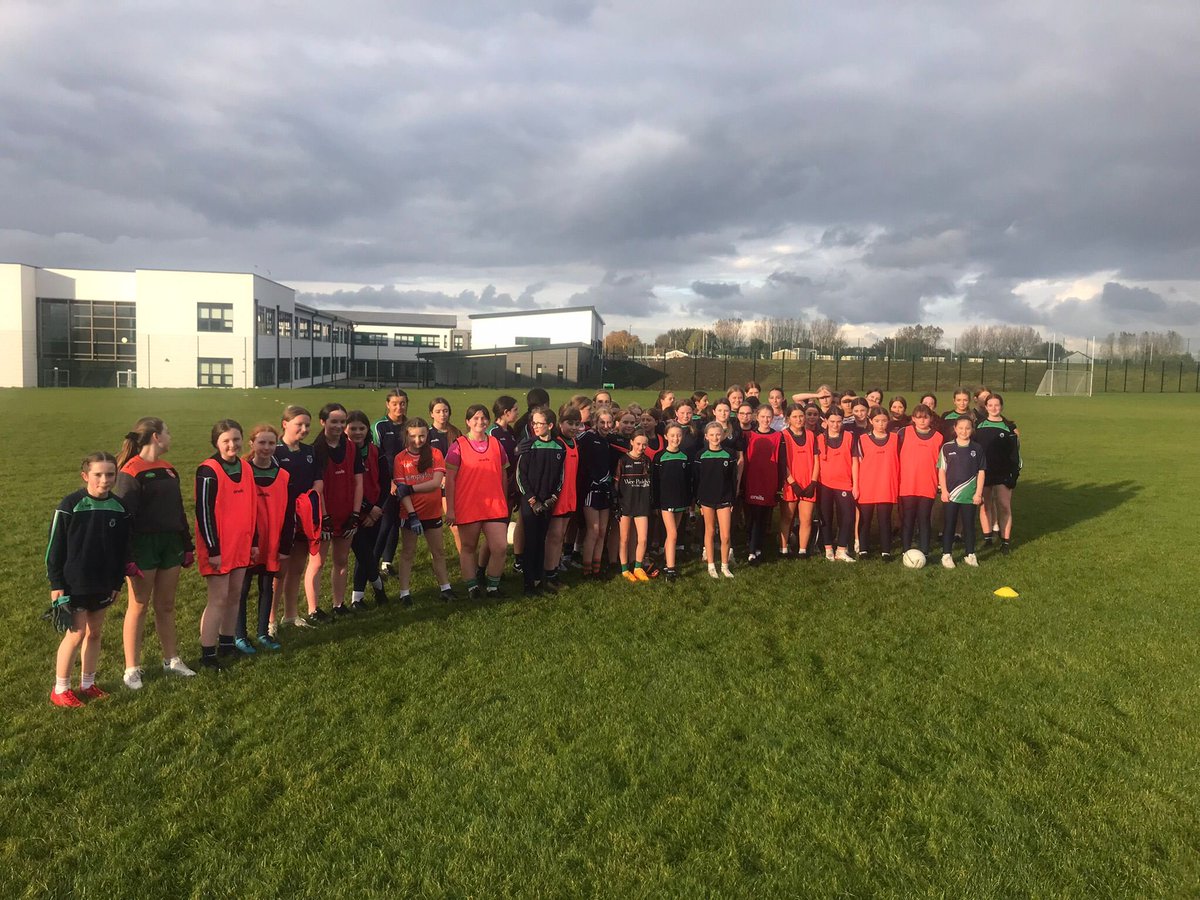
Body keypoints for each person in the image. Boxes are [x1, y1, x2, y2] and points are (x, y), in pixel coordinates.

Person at [45, 452, 133, 706]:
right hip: (75, 582)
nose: (105, 480)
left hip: (103, 581)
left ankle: (88, 684)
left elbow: (122, 550)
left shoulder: (120, 507)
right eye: (98, 474)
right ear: (85, 476)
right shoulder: (70, 505)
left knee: (95, 633)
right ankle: (60, 689)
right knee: (76, 633)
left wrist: (116, 583)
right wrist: (56, 583)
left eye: (110, 474)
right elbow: (54, 547)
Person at [113, 417, 196, 689]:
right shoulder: (130, 471)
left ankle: (171, 660)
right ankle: (131, 668)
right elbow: (125, 519)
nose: (170, 437)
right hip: (143, 546)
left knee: (167, 605)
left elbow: (179, 509)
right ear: (156, 437)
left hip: (170, 544)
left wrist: (186, 545)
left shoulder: (169, 469)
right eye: (167, 432)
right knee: (138, 606)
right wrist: (128, 556)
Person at [195, 419, 257, 670]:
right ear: (216, 443)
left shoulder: (246, 467)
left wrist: (254, 541)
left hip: (241, 543)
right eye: (226, 440)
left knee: (234, 596)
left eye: (236, 439)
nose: (232, 444)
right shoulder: (208, 470)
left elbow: (252, 506)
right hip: (218, 547)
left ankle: (228, 644)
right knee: (218, 599)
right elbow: (203, 512)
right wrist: (213, 549)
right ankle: (208, 653)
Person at [235, 424, 292, 653]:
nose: (267, 447)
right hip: (249, 542)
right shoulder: (243, 473)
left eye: (271, 443)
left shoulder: (283, 476)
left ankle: (262, 633)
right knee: (242, 588)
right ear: (252, 444)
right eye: (262, 442)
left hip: (272, 542)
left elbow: (288, 512)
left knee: (267, 587)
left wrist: (285, 545)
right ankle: (239, 635)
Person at [446, 404, 510, 599]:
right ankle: (472, 587)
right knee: (468, 548)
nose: (480, 422)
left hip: (494, 506)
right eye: (475, 418)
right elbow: (450, 480)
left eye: (483, 418)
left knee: (500, 547)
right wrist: (451, 509)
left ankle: (492, 587)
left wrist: (504, 499)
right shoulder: (458, 445)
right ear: (467, 422)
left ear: (488, 421)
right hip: (468, 505)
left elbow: (504, 474)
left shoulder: (496, 444)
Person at [272, 405, 323, 630]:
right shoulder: (274, 451)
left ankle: (291, 615)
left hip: (304, 518)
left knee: (296, 569)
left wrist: (308, 503)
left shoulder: (310, 451)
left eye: (307, 425)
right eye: (299, 424)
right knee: (278, 572)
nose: (304, 429)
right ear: (285, 424)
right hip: (282, 519)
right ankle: (270, 620)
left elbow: (318, 481)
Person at [394, 418, 454, 603]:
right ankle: (404, 593)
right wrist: (412, 515)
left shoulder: (435, 453)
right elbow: (401, 492)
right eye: (413, 436)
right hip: (410, 514)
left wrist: (411, 488)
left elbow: (435, 483)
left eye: (422, 436)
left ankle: (445, 588)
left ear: (428, 434)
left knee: (438, 551)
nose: (417, 440)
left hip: (432, 512)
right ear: (406, 435)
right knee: (408, 552)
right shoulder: (400, 458)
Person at [313, 403, 365, 618]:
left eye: (342, 422)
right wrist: (323, 516)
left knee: (341, 560)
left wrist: (355, 514)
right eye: (333, 421)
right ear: (323, 422)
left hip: (346, 515)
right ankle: (313, 609)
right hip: (323, 516)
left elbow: (358, 483)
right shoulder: (315, 450)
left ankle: (338, 603)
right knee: (318, 563)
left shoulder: (351, 447)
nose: (338, 426)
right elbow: (316, 488)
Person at [515, 407, 566, 595]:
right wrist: (532, 500)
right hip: (531, 502)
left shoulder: (559, 447)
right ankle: (529, 584)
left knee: (541, 540)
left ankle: (539, 579)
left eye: (539, 423)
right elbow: (521, 476)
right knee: (531, 541)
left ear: (550, 425)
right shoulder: (528, 445)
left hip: (547, 502)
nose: (535, 426)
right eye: (533, 423)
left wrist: (553, 497)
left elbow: (560, 477)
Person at [346, 410, 389, 610]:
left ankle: (358, 597)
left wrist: (377, 508)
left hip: (376, 512)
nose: (357, 432)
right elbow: (347, 487)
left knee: (367, 554)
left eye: (361, 428)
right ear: (345, 430)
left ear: (367, 429)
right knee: (364, 554)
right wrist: (368, 508)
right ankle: (378, 589)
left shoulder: (375, 451)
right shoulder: (343, 454)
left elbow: (385, 482)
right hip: (353, 513)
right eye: (353, 428)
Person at [974, 393, 1021, 553]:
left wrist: (1013, 474)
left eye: (997, 405)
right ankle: (987, 538)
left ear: (1001, 406)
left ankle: (1005, 542)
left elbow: (1015, 454)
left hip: (1003, 472)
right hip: (984, 472)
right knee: (985, 506)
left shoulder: (1010, 427)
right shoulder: (978, 425)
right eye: (990, 405)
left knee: (1004, 506)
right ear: (986, 407)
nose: (994, 408)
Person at [897, 404, 944, 559]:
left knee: (924, 518)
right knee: (908, 518)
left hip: (928, 484)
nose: (922, 421)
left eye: (925, 417)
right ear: (913, 418)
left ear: (931, 418)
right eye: (918, 417)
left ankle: (925, 550)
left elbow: (941, 463)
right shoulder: (904, 433)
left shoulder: (938, 437)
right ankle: (905, 549)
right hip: (907, 484)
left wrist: (940, 482)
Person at [853, 406, 899, 559]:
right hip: (867, 485)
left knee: (884, 519)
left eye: (884, 421)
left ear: (888, 421)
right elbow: (857, 463)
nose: (881, 424)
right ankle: (863, 549)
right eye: (877, 421)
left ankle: (886, 551)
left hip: (886, 484)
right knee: (865, 519)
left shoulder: (895, 439)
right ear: (871, 421)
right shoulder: (862, 439)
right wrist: (856, 486)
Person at [694, 421, 738, 578]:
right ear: (706, 436)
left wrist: (732, 500)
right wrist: (698, 502)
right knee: (710, 531)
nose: (715, 437)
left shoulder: (729, 454)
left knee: (725, 535)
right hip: (706, 499)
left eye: (718, 434)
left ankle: (725, 566)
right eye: (711, 435)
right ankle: (711, 565)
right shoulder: (700, 455)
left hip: (724, 498)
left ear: (723, 435)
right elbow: (697, 480)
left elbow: (733, 479)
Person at [371, 389, 409, 575]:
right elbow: (375, 457)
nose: (399, 407)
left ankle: (387, 563)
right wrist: (389, 481)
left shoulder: (410, 425)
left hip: (407, 482)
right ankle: (371, 564)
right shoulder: (380, 426)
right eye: (394, 403)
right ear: (388, 404)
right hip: (387, 483)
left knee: (396, 523)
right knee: (385, 523)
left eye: (402, 403)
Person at [939, 417, 984, 568]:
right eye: (961, 428)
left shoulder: (977, 448)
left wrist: (978, 493)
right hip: (951, 494)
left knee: (969, 525)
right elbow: (942, 470)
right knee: (949, 525)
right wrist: (944, 491)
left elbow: (981, 472)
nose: (964, 431)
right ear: (955, 428)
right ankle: (946, 554)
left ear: (972, 430)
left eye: (968, 428)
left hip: (970, 495)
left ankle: (970, 554)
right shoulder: (947, 447)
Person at [778, 404, 819, 558]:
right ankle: (783, 548)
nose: (799, 419)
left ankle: (802, 550)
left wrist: (813, 482)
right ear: (788, 419)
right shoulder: (783, 436)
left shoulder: (811, 435)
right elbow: (782, 463)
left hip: (808, 483)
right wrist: (793, 483)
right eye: (794, 417)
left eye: (801, 416)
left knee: (806, 519)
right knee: (787, 517)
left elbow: (816, 460)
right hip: (791, 484)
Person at [546, 408, 582, 585]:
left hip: (569, 496)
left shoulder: (574, 442)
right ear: (560, 424)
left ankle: (554, 568)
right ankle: (548, 572)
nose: (574, 427)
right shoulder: (556, 443)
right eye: (570, 423)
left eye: (577, 424)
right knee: (554, 536)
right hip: (558, 497)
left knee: (560, 536)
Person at [576, 406, 613, 577]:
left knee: (603, 531)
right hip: (591, 490)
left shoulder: (608, 440)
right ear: (595, 422)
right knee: (594, 530)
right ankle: (587, 569)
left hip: (605, 489)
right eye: (602, 422)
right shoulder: (587, 437)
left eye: (609, 422)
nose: (606, 426)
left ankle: (596, 569)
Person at [742, 405, 781, 565]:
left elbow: (780, 461)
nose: (766, 420)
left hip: (769, 481)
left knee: (764, 516)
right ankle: (752, 550)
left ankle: (758, 548)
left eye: (768, 417)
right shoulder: (749, 436)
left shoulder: (778, 436)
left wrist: (779, 486)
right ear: (756, 417)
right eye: (763, 416)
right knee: (754, 516)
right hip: (753, 481)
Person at [817, 409, 856, 562]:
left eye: (839, 421)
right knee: (825, 516)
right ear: (826, 422)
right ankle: (828, 548)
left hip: (844, 483)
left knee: (848, 516)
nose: (835, 425)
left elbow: (855, 462)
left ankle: (841, 549)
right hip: (824, 483)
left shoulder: (849, 437)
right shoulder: (819, 438)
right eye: (832, 421)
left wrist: (855, 484)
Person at [653, 422, 691, 580]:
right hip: (666, 501)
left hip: (681, 501)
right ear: (666, 436)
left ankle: (666, 561)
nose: (676, 438)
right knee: (673, 533)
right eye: (672, 435)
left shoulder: (685, 456)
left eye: (679, 435)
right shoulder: (660, 456)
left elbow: (688, 481)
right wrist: (656, 504)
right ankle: (671, 568)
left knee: (672, 534)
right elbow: (655, 482)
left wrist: (689, 502)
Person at [615, 430, 653, 582]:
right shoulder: (623, 460)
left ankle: (638, 567)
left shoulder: (647, 461)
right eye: (638, 443)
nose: (641, 447)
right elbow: (616, 484)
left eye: (644, 444)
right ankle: (625, 569)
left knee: (642, 539)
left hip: (642, 505)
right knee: (624, 539)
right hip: (625, 505)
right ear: (631, 442)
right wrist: (616, 503)